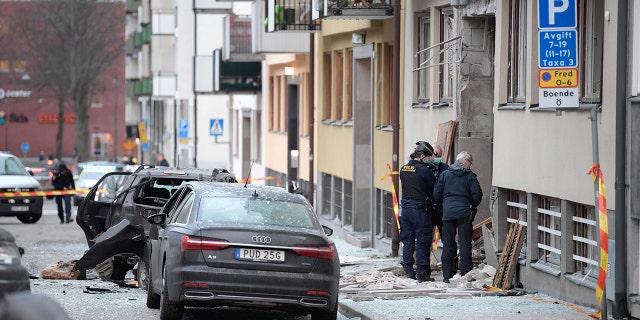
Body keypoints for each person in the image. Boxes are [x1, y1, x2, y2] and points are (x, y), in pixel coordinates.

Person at [433, 151, 483, 283]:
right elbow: (477, 195)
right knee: (465, 244)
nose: (470, 165)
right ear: (465, 161)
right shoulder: (470, 176)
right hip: (465, 214)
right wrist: (470, 204)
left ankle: (447, 275)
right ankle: (466, 274)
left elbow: (436, 194)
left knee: (448, 244)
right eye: (470, 163)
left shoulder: (445, 174)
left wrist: (445, 205)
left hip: (448, 214)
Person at [398, 141, 437, 282]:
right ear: (421, 156)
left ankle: (408, 271)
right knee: (422, 241)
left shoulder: (403, 169)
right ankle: (422, 273)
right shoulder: (424, 171)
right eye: (427, 156)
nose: (429, 159)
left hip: (406, 211)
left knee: (408, 241)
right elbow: (433, 190)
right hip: (420, 211)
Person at [426, 144, 449, 238]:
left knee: (446, 238)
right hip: (427, 208)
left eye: (440, 156)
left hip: (441, 209)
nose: (438, 158)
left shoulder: (446, 169)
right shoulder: (423, 168)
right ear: (430, 154)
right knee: (425, 239)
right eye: (436, 155)